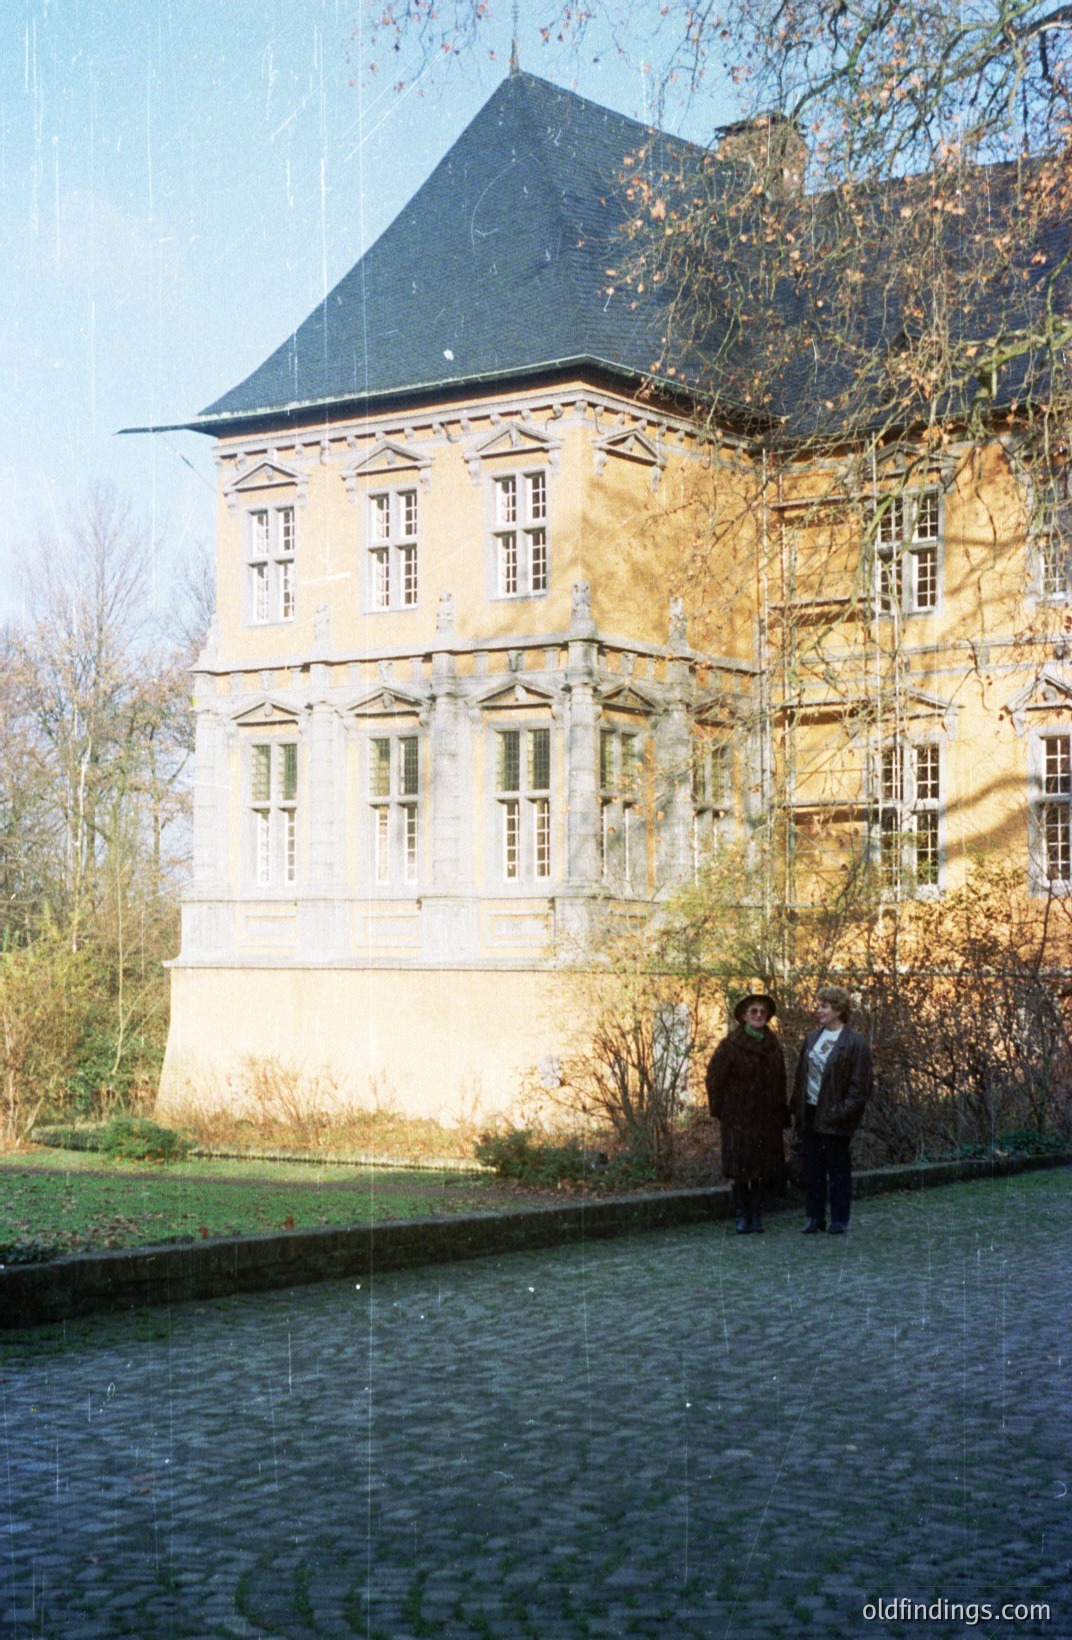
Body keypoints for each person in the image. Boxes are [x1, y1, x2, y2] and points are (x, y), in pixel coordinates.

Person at [791, 984, 873, 1235]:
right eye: (818, 1006)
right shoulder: (812, 1038)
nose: (819, 1011)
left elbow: (860, 1087)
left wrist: (841, 1114)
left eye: (824, 1006)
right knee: (813, 1168)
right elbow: (801, 1077)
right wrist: (797, 1110)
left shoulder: (854, 1043)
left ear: (838, 1009)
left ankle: (839, 1219)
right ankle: (815, 1218)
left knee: (838, 1170)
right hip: (811, 1112)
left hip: (836, 1116)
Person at [705, 992, 789, 1234]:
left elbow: (781, 1081)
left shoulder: (773, 1046)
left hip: (766, 1119)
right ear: (743, 1016)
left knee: (763, 1168)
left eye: (763, 1012)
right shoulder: (730, 1045)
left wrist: (781, 1113)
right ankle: (741, 1215)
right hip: (738, 1119)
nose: (759, 1016)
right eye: (754, 1011)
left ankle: (756, 1214)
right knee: (741, 1169)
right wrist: (722, 1110)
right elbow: (713, 1078)